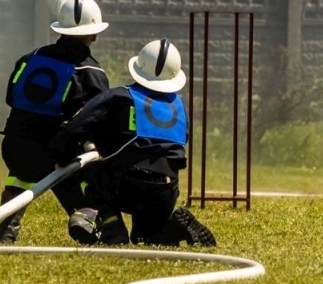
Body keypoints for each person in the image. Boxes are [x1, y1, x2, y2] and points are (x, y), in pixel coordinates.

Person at [49, 37, 215, 247]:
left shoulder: (119, 97)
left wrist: (60, 155)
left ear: (139, 67)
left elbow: (76, 127)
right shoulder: (179, 108)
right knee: (146, 238)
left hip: (125, 184)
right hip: (165, 190)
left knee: (90, 172)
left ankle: (112, 227)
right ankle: (173, 225)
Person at [0, 0, 112, 245]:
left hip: (14, 147)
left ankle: (7, 227)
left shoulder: (30, 58)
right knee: (87, 170)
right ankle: (83, 217)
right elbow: (99, 118)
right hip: (55, 154)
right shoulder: (91, 72)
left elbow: (11, 97)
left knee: (21, 175)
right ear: (95, 34)